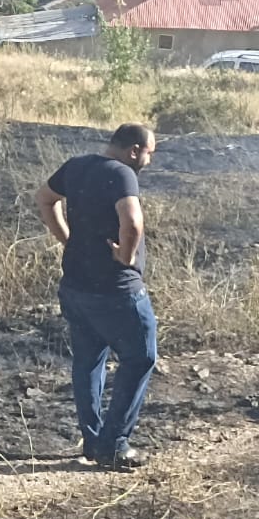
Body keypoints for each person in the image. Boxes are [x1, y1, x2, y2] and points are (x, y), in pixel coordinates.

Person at [36, 123, 159, 470]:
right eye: (150, 152)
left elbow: (44, 198)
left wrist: (67, 238)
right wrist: (126, 255)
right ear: (134, 150)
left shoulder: (76, 165)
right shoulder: (121, 173)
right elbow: (133, 224)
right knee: (141, 358)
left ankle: (92, 442)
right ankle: (114, 444)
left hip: (76, 287)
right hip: (116, 292)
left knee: (88, 362)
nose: (149, 160)